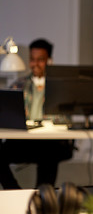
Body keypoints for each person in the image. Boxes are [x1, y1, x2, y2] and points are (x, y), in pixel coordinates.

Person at [0, 39, 74, 189]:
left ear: (49, 61)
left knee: (49, 155)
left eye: (40, 60)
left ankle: (42, 198)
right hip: (24, 140)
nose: (35, 64)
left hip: (49, 142)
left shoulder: (60, 87)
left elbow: (66, 119)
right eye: (32, 60)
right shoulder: (18, 85)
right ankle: (15, 192)